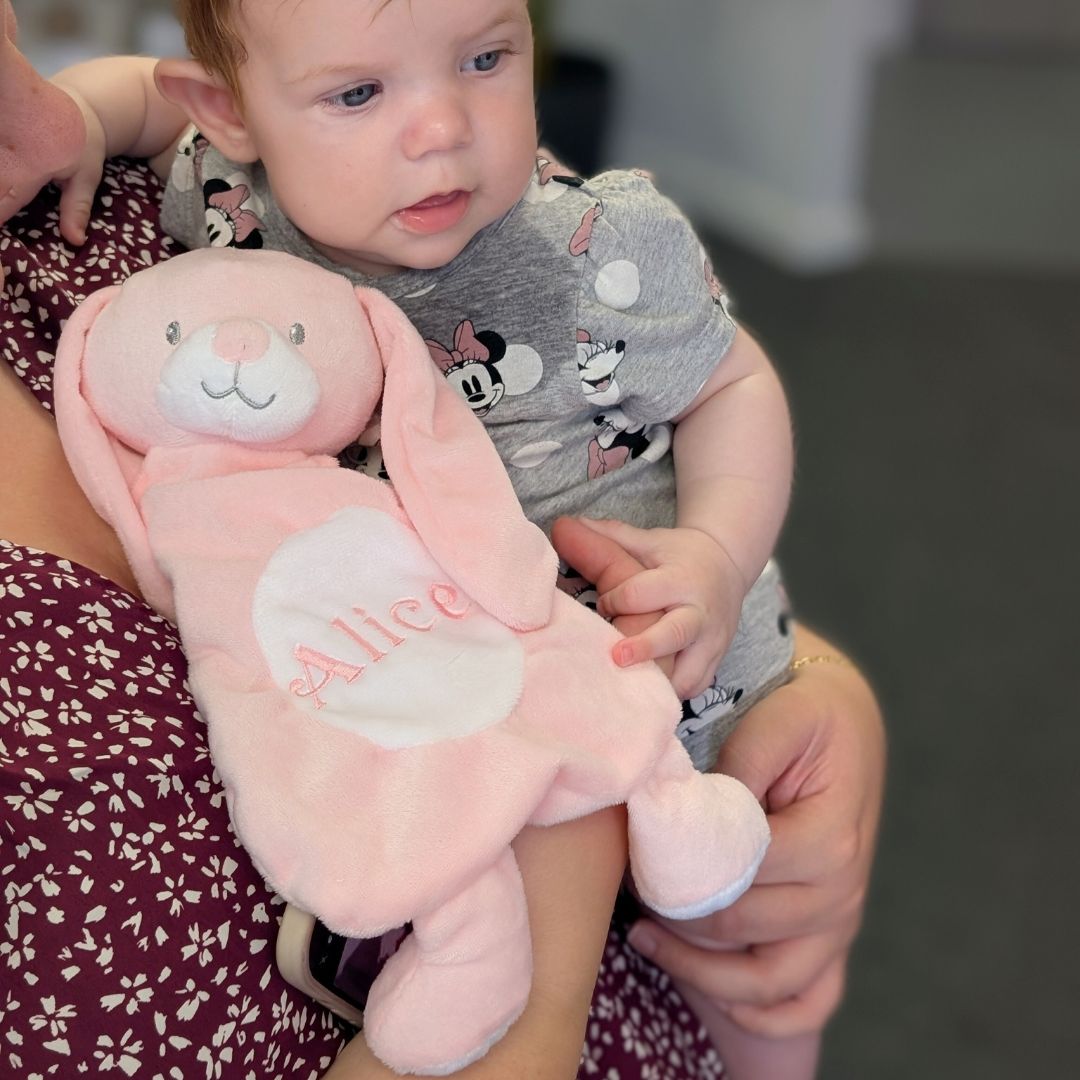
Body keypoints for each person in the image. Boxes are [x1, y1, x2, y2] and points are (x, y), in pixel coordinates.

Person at [0, 1, 886, 1076]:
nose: (442, 130)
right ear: (230, 114)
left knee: (755, 995)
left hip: (666, 667)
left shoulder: (595, 246)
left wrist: (720, 554)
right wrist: (86, 119)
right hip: (478, 705)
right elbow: (150, 91)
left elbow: (734, 382)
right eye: (360, 93)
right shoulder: (226, 197)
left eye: (484, 58)